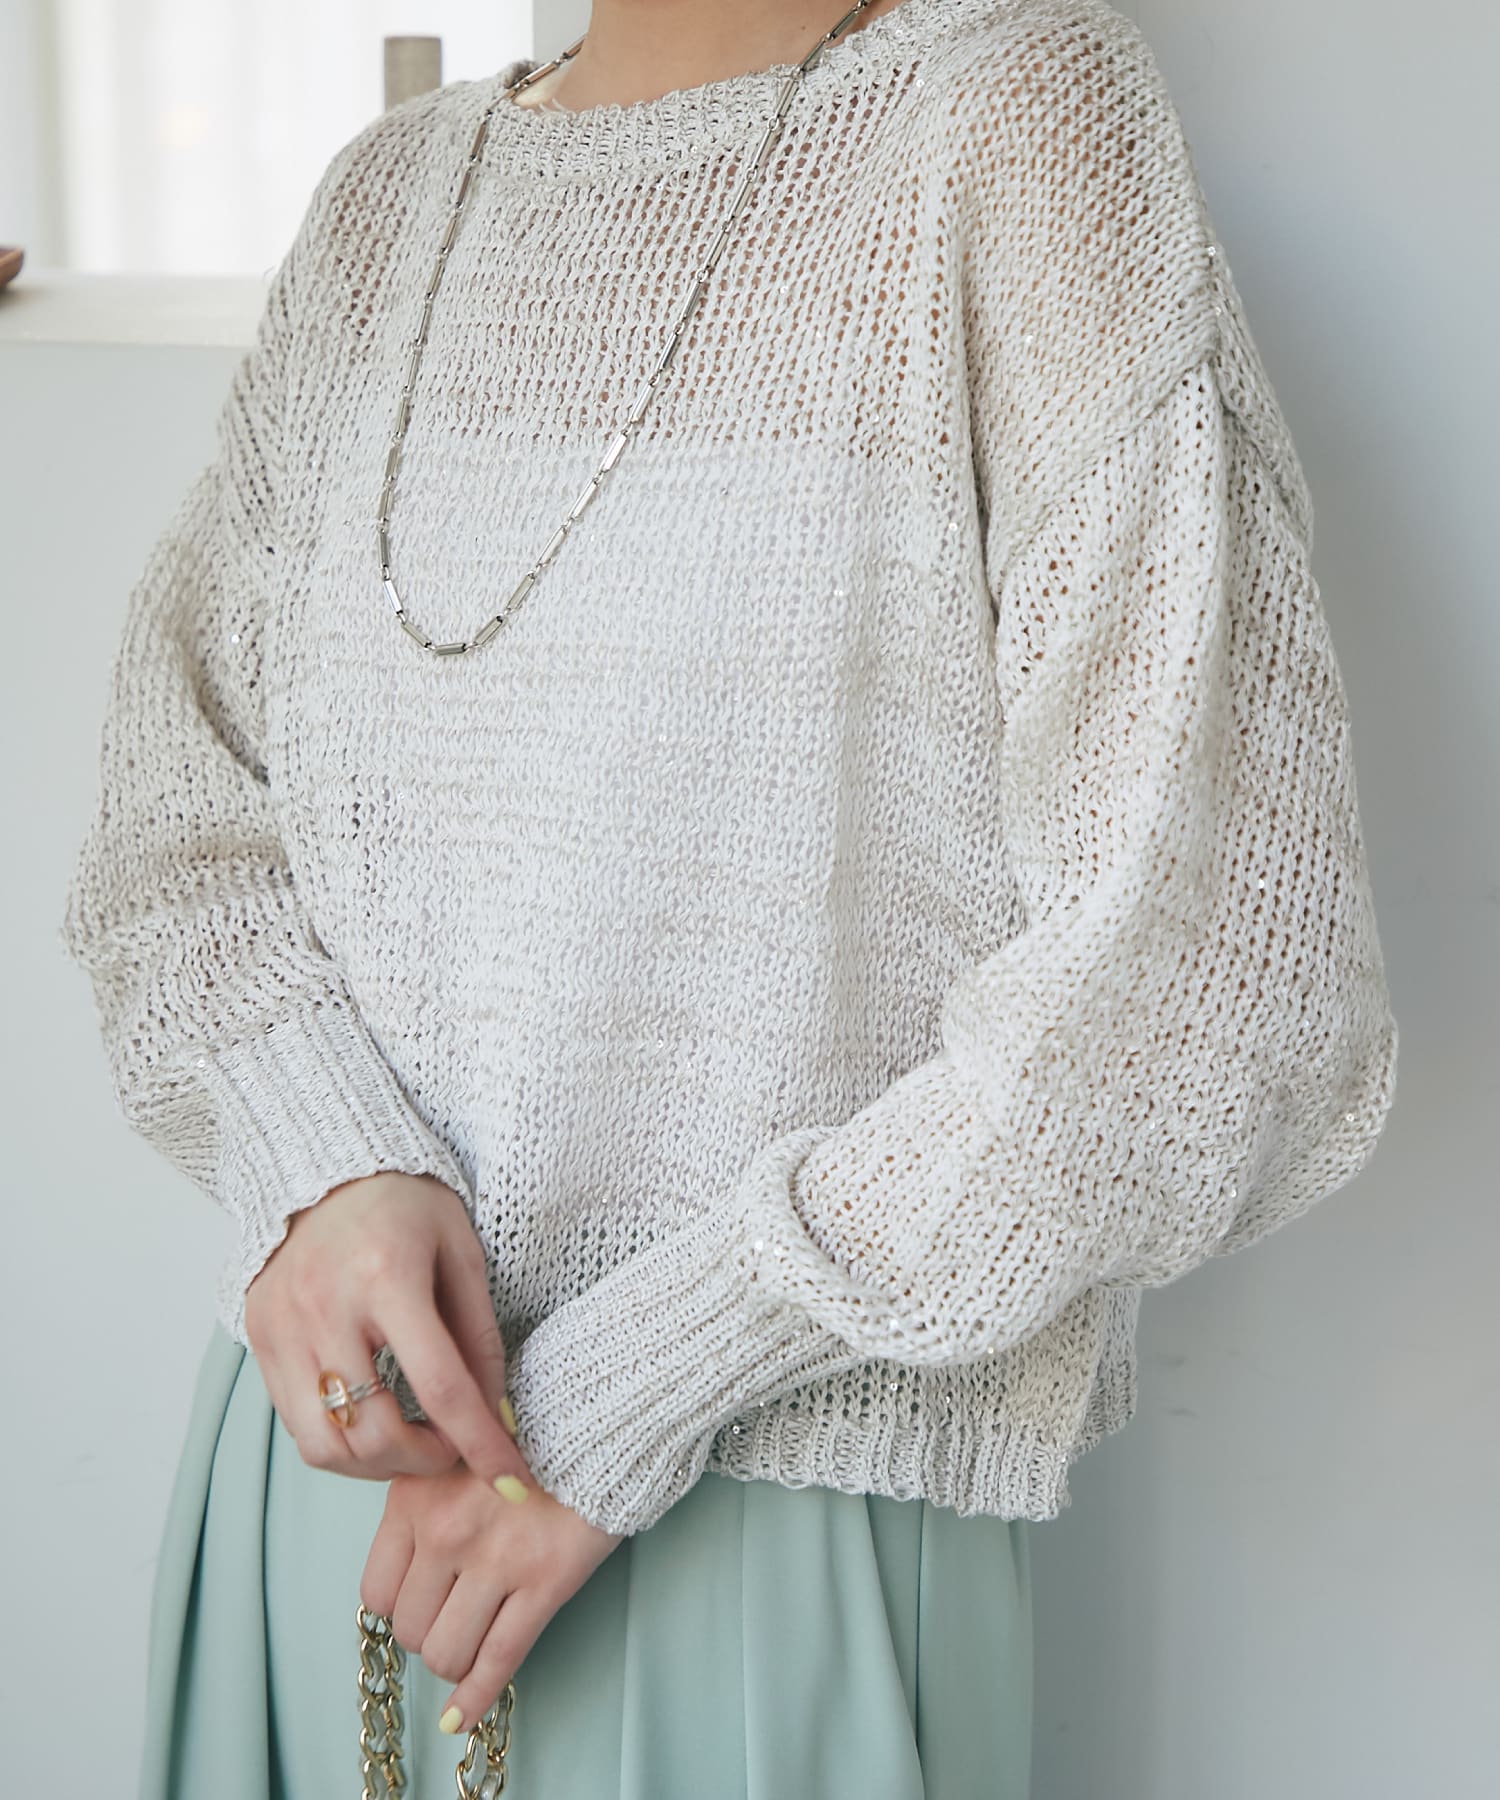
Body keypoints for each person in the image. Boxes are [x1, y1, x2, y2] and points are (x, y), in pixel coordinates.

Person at [57, 0, 1399, 1794]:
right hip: (328, 1491)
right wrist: (319, 1159)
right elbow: (174, 808)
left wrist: (640, 1376)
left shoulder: (1010, 122)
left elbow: (1215, 977)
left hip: (757, 1520)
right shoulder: (392, 199)